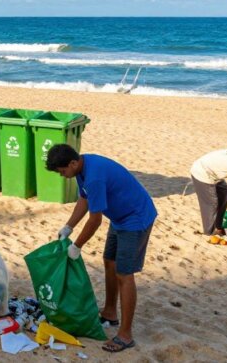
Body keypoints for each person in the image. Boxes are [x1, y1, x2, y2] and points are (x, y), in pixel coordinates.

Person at [47, 144, 157, 353]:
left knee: (125, 274)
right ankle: (109, 313)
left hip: (135, 219)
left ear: (72, 163)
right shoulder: (82, 166)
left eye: (62, 172)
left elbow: (95, 220)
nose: (63, 176)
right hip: (118, 218)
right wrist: (69, 226)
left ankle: (126, 335)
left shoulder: (95, 175)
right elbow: (84, 198)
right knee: (109, 261)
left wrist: (77, 246)